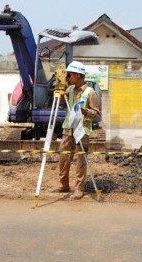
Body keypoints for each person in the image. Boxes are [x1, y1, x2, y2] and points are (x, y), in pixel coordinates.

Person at [53, 61, 101, 200]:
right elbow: (61, 103)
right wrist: (59, 91)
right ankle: (63, 184)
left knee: (81, 159)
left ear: (79, 75)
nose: (68, 77)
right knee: (64, 156)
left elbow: (96, 114)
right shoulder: (70, 90)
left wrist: (85, 111)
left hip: (82, 129)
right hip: (68, 128)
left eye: (70, 75)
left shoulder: (90, 93)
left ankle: (79, 187)